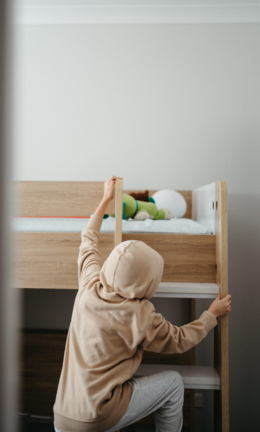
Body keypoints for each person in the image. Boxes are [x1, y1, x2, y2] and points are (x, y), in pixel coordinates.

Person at [53, 176, 232, 432]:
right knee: (173, 383)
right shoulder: (141, 314)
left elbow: (88, 238)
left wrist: (106, 199)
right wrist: (210, 315)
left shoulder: (89, 285)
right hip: (99, 416)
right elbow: (180, 340)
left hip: (62, 417)